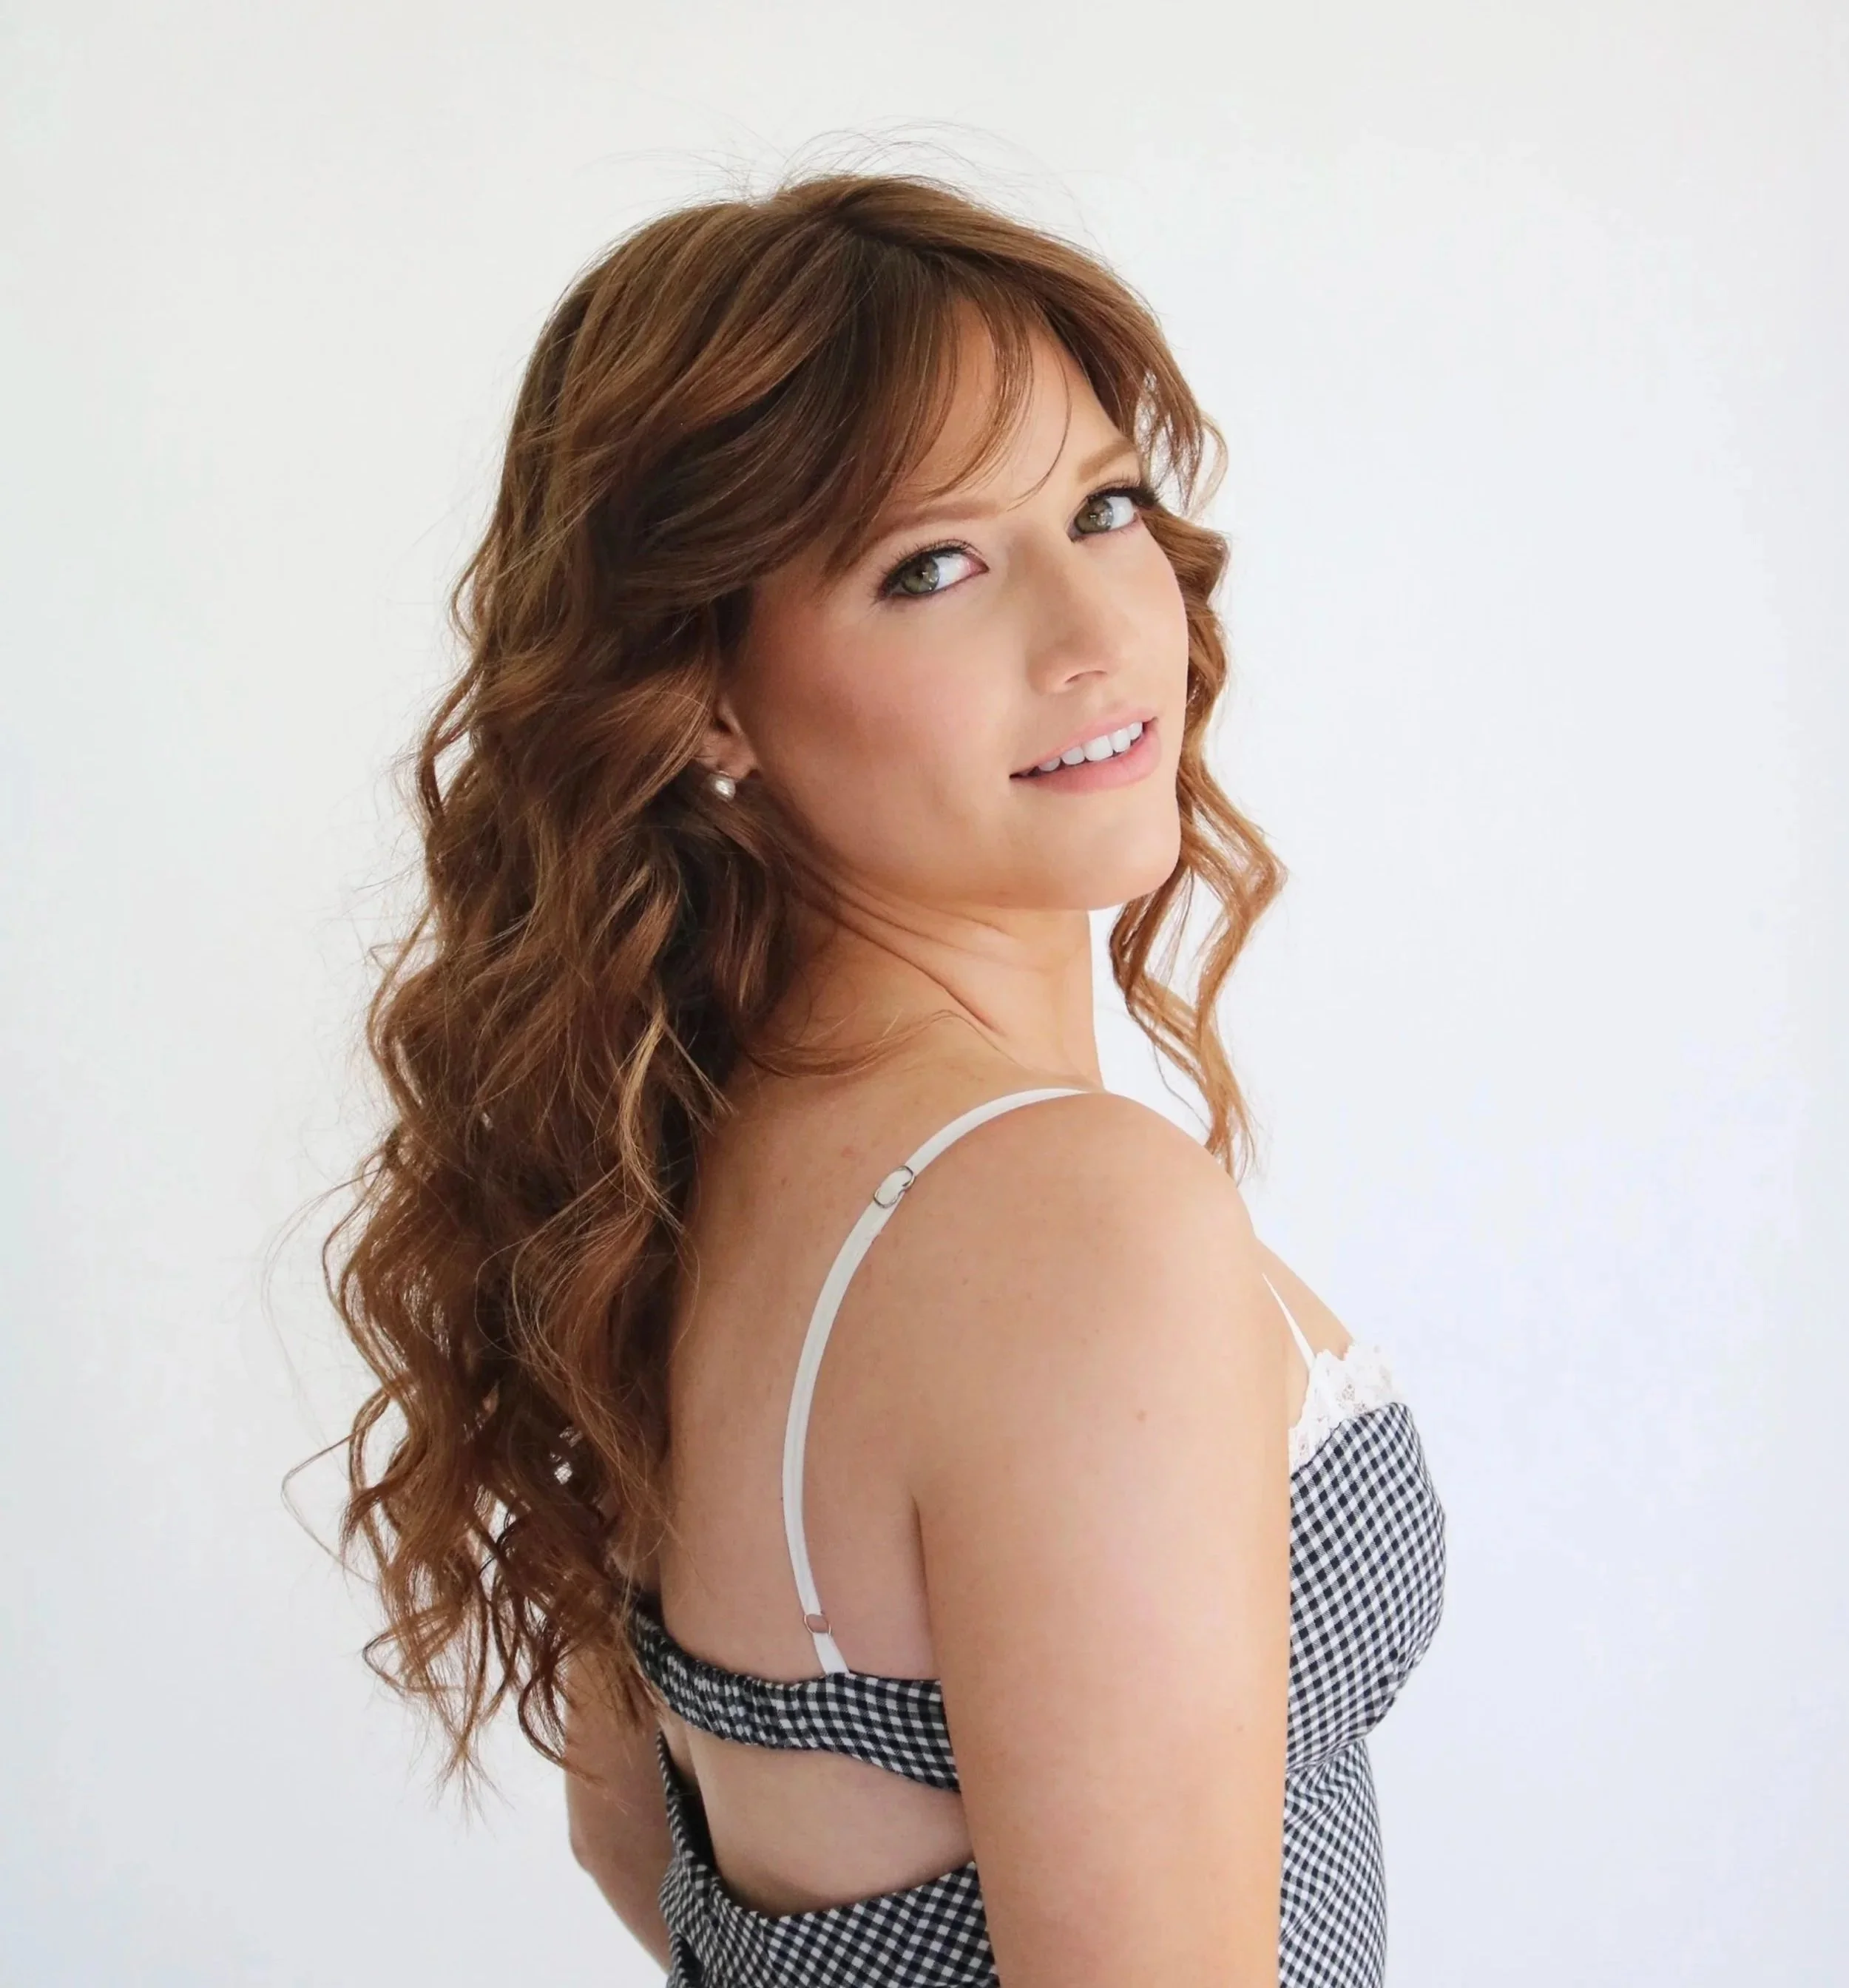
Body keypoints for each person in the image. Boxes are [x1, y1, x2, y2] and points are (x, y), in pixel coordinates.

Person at [322, 169, 1447, 1988]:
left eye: (1102, 504)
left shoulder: (662, 1162)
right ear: (702, 695)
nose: (1093, 632)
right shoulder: (1058, 1214)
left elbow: (648, 1838)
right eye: (931, 565)